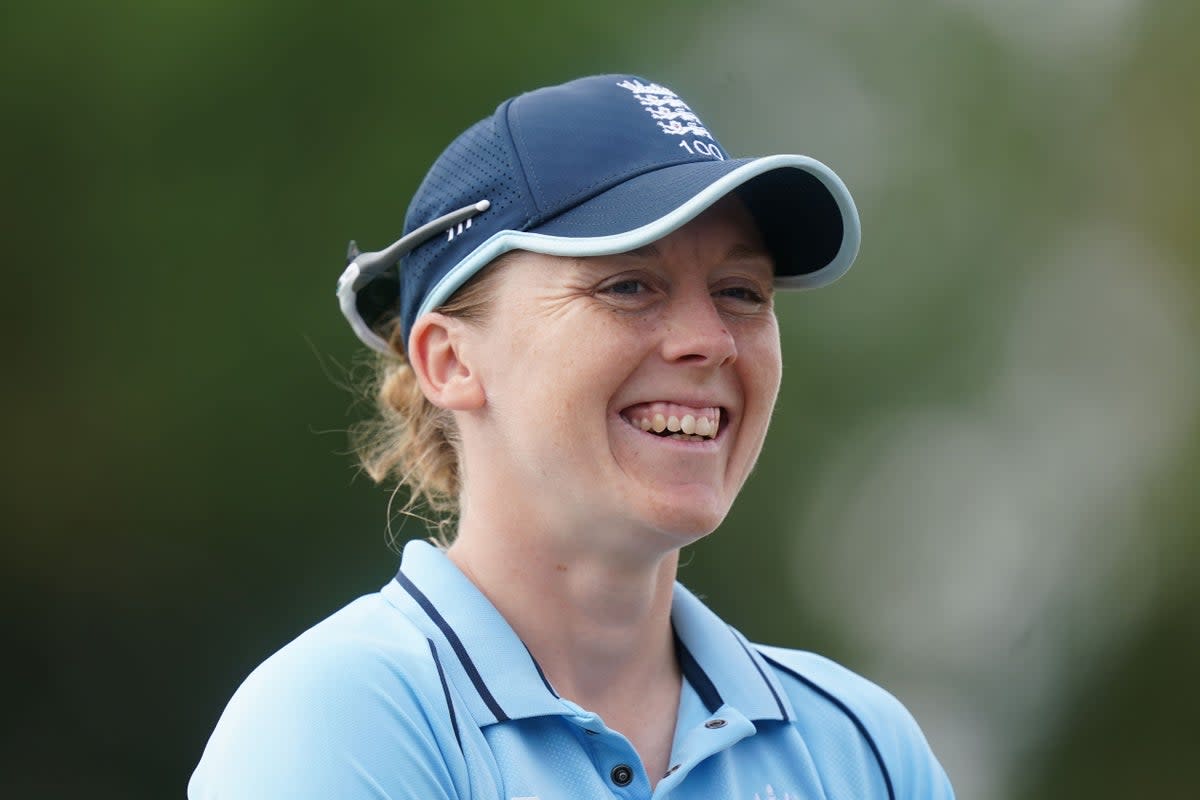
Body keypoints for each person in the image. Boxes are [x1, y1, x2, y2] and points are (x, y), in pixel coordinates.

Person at [189, 74, 954, 799]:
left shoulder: (864, 749)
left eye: (741, 293)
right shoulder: (338, 720)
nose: (710, 340)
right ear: (449, 361)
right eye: (628, 285)